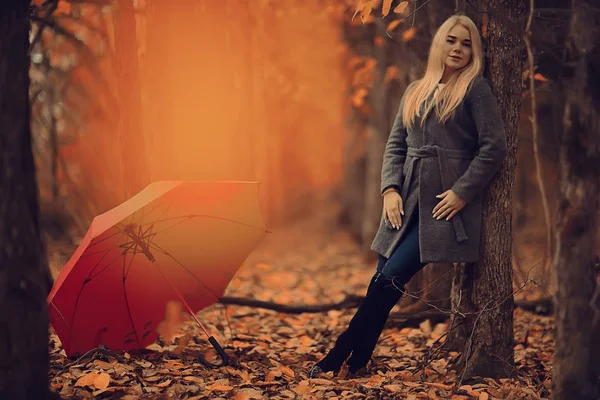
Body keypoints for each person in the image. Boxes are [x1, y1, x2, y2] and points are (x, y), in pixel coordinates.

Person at [308, 14, 507, 378]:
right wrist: (389, 190)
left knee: (388, 280)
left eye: (466, 43)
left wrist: (462, 192)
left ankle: (336, 355)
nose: (459, 49)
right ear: (439, 44)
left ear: (474, 51)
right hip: (405, 200)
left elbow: (493, 147)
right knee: (382, 281)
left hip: (444, 206)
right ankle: (358, 360)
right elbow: (395, 145)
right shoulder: (415, 89)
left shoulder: (474, 89)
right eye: (452, 40)